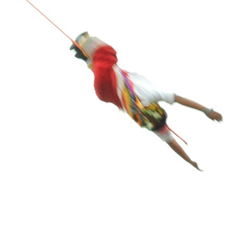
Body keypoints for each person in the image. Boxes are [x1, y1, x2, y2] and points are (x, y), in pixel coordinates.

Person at [72, 32, 222, 168]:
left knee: (106, 60)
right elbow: (172, 141)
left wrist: (206, 111)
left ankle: (86, 52)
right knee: (103, 65)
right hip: (108, 92)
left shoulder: (153, 101)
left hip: (111, 89)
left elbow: (179, 101)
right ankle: (85, 54)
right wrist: (189, 160)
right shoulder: (151, 112)